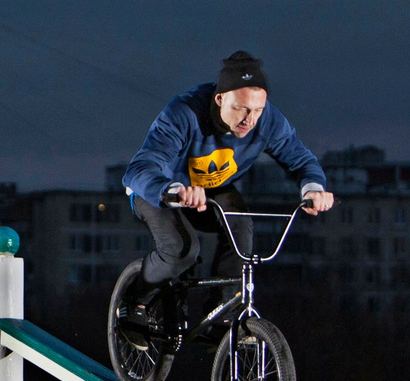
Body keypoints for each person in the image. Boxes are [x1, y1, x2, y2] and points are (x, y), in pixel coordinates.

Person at [119, 52, 335, 305]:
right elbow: (139, 169)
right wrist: (172, 189)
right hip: (159, 190)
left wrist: (313, 189)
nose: (249, 120)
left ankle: (221, 320)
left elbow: (301, 159)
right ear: (220, 99)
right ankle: (135, 299)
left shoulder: (268, 121)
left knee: (241, 231)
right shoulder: (184, 112)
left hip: (212, 189)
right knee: (181, 250)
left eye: (257, 110)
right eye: (241, 109)